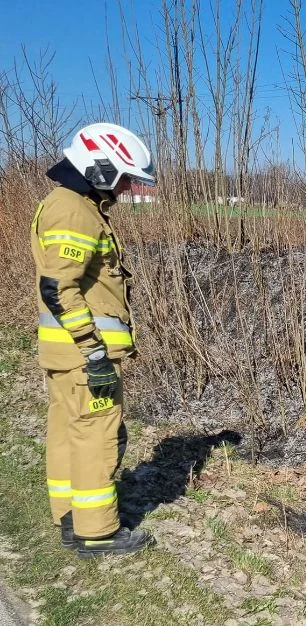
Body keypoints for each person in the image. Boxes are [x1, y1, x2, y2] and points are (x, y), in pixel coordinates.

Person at [30, 123, 156, 558]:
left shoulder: (67, 203)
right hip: (85, 356)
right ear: (97, 168)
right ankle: (97, 531)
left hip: (66, 352)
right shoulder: (75, 211)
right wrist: (95, 351)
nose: (124, 187)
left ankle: (69, 519)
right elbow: (58, 287)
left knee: (69, 430)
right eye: (121, 177)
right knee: (97, 436)